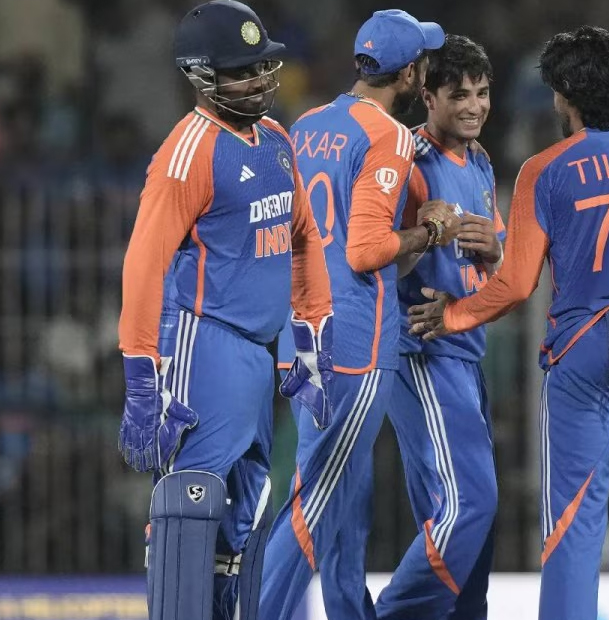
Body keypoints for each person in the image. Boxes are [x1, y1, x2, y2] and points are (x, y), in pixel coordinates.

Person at [408, 25, 609, 620]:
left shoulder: (544, 170)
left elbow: (518, 283)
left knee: (573, 521)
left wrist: (454, 314)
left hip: (584, 343)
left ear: (567, 96)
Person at [116, 2, 333, 619]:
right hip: (202, 341)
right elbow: (143, 265)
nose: (259, 80)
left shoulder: (277, 141)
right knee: (190, 505)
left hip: (258, 354)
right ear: (201, 76)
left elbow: (303, 238)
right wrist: (141, 379)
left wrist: (309, 346)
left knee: (246, 515)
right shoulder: (187, 154)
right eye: (242, 71)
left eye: (262, 66)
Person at [258, 9, 454, 620]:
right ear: (410, 73)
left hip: (302, 328)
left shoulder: (307, 123)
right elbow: (366, 251)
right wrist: (430, 231)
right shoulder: (388, 136)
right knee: (317, 498)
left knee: (346, 493)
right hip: (354, 340)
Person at [374, 34, 503, 620]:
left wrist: (494, 249)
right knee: (469, 505)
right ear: (428, 97)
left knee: (466, 521)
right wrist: (425, 236)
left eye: (482, 93)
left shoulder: (479, 160)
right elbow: (379, 257)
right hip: (424, 352)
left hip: (467, 352)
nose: (474, 107)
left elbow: (495, 260)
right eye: (459, 95)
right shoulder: (409, 161)